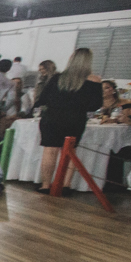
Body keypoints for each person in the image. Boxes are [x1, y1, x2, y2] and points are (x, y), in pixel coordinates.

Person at [37, 47, 101, 192]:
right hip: (75, 119)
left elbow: (43, 98)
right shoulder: (94, 80)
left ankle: (45, 185)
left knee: (49, 151)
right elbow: (95, 105)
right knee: (70, 152)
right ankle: (65, 185)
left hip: (52, 117)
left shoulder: (57, 78)